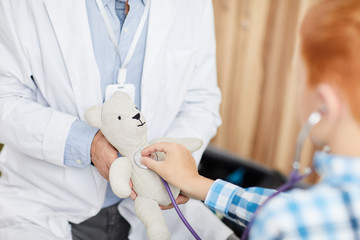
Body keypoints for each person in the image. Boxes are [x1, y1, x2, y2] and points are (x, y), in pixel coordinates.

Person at [0, 0, 237, 239]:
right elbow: (5, 98)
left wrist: (173, 169)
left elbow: (201, 100)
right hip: (45, 204)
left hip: (159, 206)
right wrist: (87, 144)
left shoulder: (193, 6)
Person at [140, 0, 360, 239]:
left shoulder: (283, 223)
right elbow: (292, 210)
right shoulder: (303, 213)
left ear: (323, 104)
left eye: (299, 78)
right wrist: (199, 184)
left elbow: (282, 216)